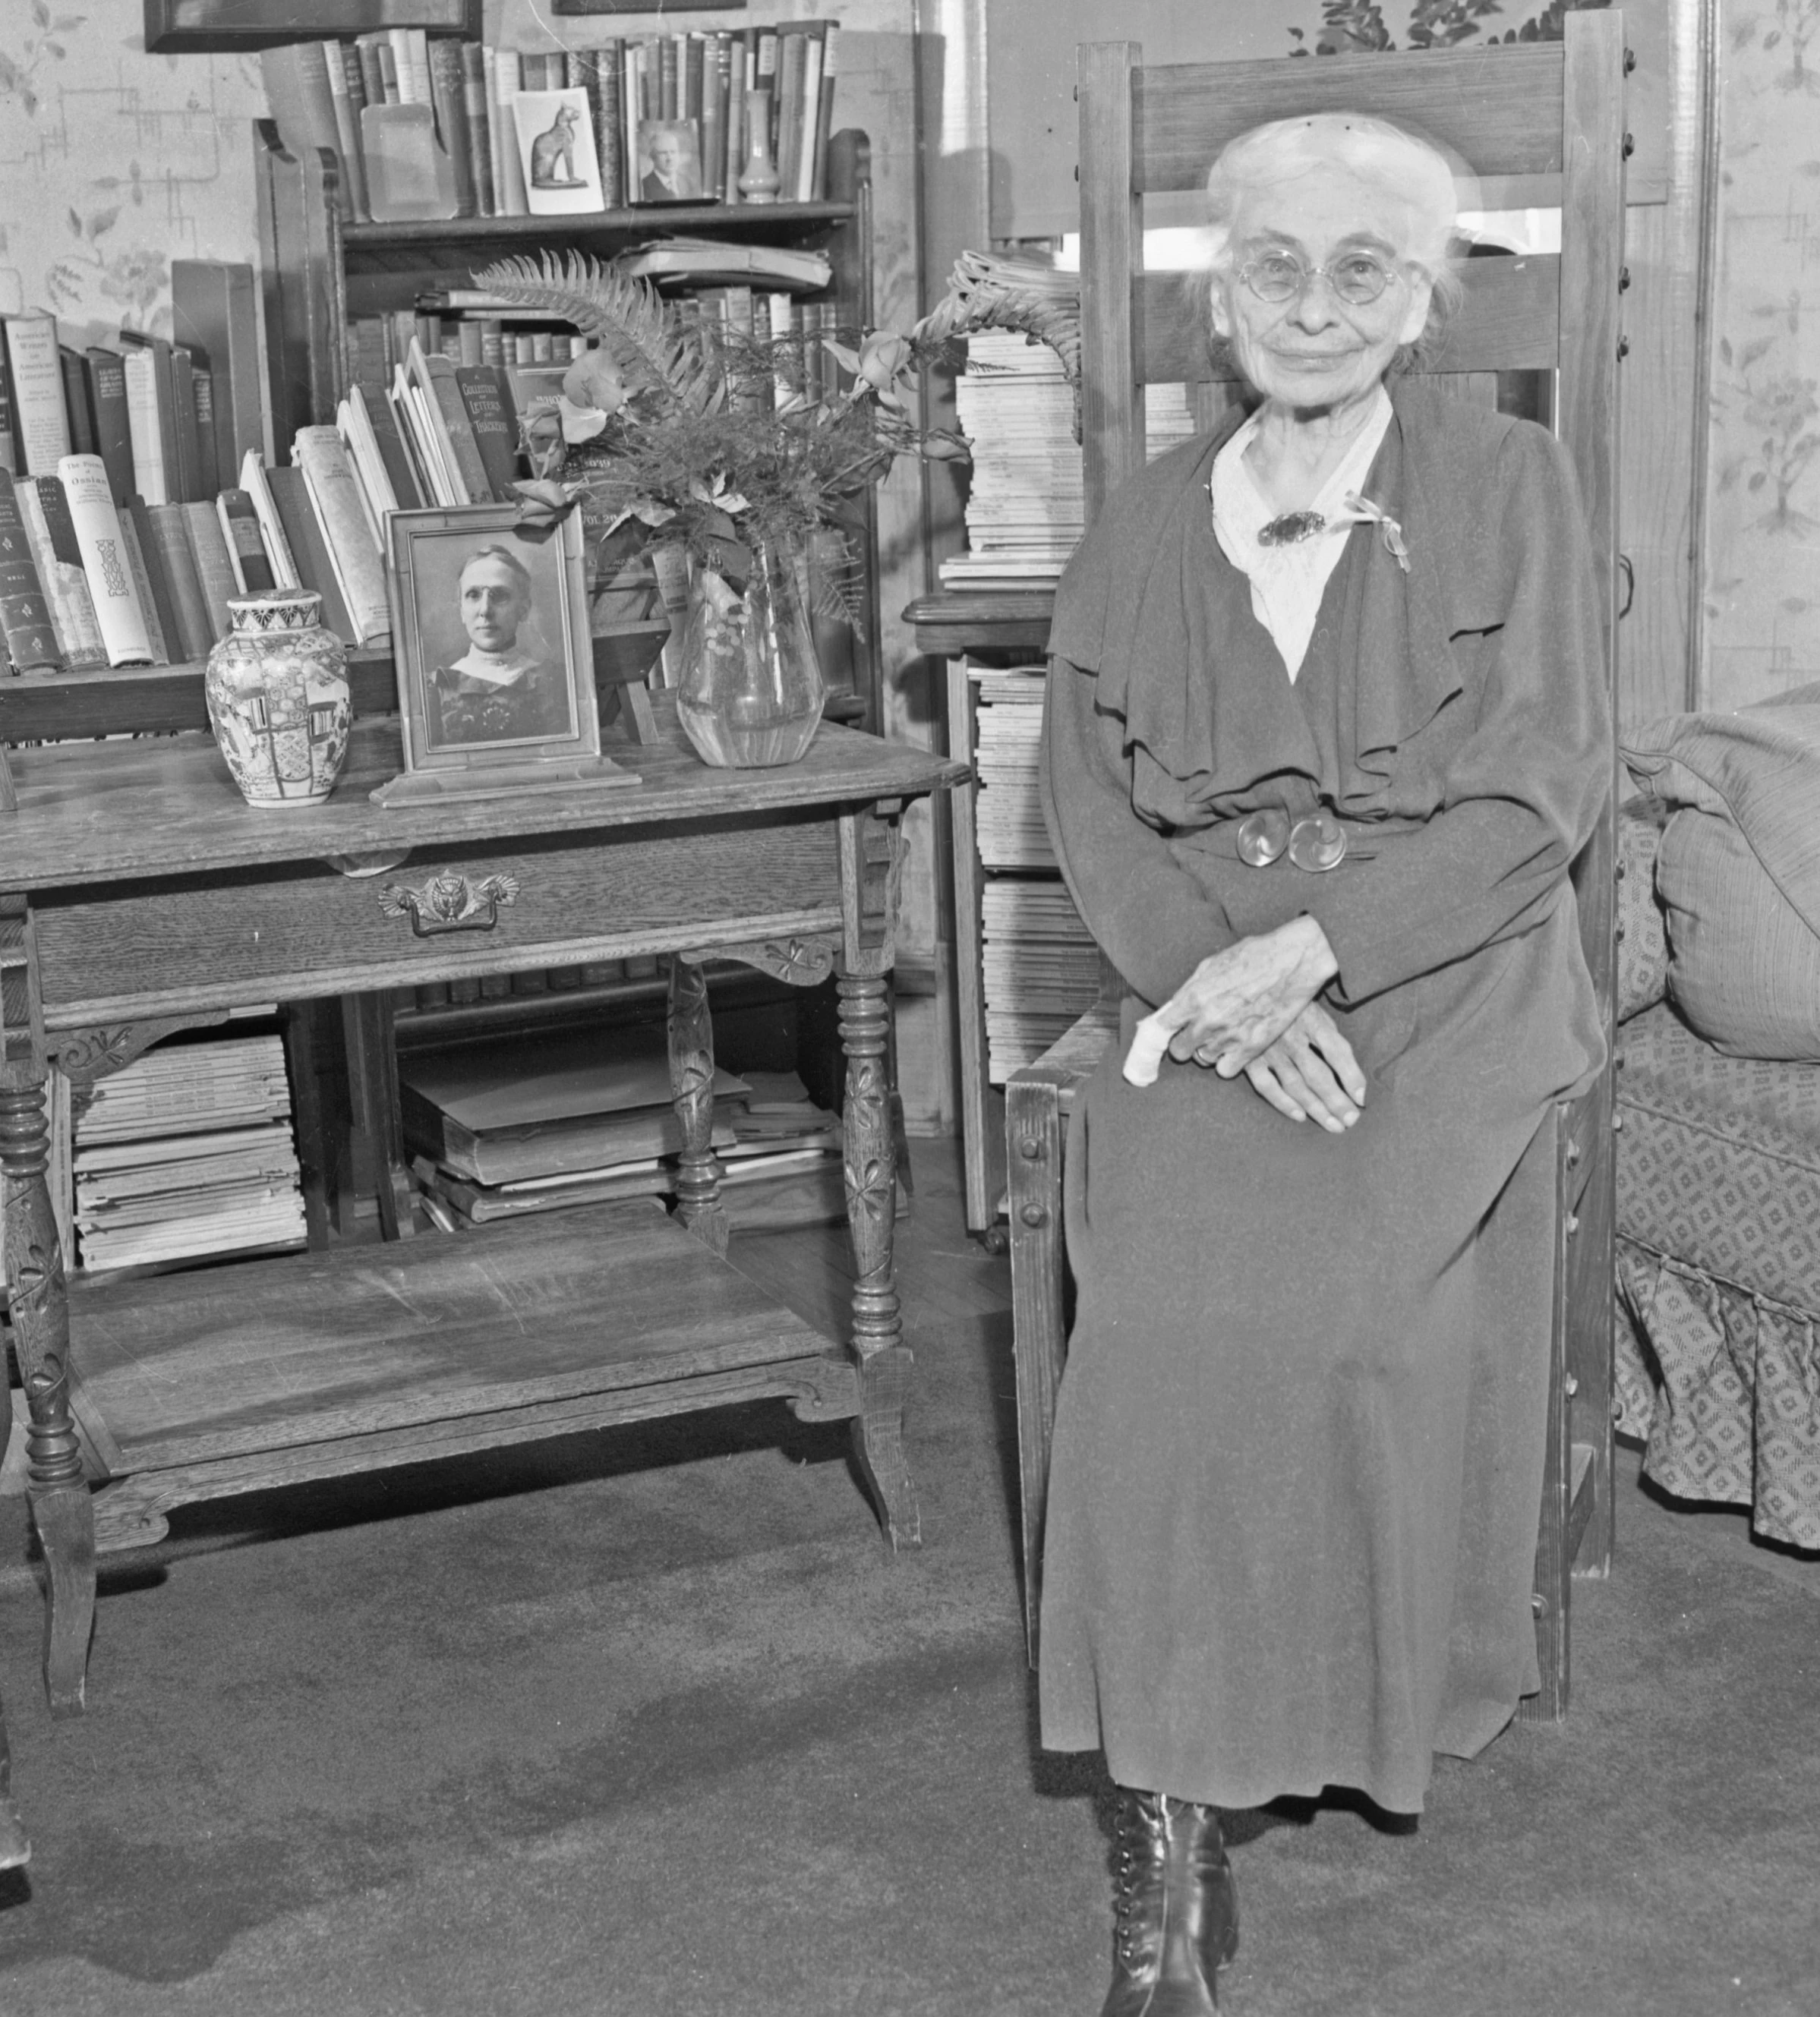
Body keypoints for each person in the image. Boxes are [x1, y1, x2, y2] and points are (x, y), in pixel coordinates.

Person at [1037, 113, 1609, 2015]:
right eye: (1272, 265)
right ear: (1220, 297)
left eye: (1360, 269)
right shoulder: (1141, 522)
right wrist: (1223, 982)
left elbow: (1537, 793)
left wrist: (1323, 955)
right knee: (1154, 1313)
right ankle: (1165, 1836)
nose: (1311, 305)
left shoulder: (1508, 481)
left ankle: (1317, 1694)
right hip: (1208, 979)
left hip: (1446, 970)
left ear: (1420, 301)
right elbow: (1092, 813)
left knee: (1334, 1305)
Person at [430, 545, 569, 747]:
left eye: (500, 595)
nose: (485, 610)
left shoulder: (553, 680)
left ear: (523, 610)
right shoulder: (439, 687)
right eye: (473, 595)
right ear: (462, 611)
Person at [640, 123, 699, 203]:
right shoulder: (644, 186)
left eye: (673, 152)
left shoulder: (687, 183)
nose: (670, 158)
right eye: (663, 153)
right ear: (653, 156)